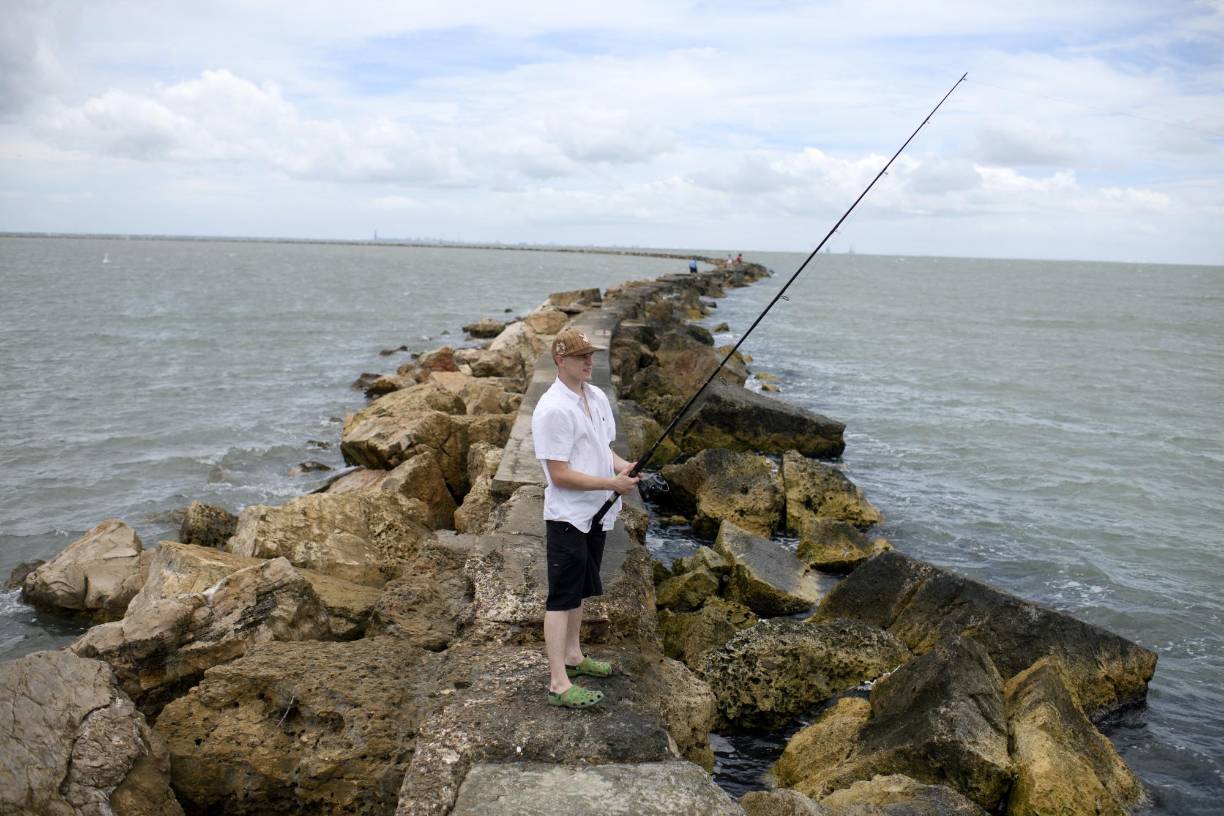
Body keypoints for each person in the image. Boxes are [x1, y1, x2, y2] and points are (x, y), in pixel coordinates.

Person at [531, 327, 639, 709]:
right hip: (567, 517)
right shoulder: (552, 409)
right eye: (580, 357)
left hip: (597, 512)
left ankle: (574, 657)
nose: (589, 362)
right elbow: (558, 474)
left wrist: (625, 467)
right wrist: (610, 482)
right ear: (560, 361)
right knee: (561, 597)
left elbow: (602, 448)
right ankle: (558, 683)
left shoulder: (596, 396)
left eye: (590, 355)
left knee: (578, 590)